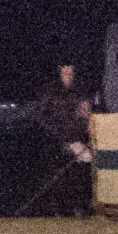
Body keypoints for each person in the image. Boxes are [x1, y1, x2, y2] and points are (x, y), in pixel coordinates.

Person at [24, 64, 94, 215]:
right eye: (65, 69)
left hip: (79, 140)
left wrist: (87, 127)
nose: (68, 72)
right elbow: (40, 116)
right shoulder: (49, 91)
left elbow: (87, 113)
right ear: (59, 71)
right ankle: (58, 209)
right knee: (57, 177)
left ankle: (79, 207)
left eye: (71, 69)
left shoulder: (81, 90)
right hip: (55, 141)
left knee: (80, 173)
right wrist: (63, 140)